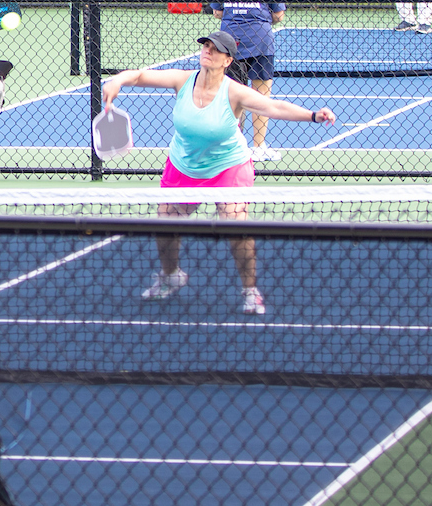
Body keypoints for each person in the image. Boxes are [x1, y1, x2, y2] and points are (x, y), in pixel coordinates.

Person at [102, 31, 337, 313]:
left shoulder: (234, 92)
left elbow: (273, 107)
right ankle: (171, 276)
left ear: (227, 60)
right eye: (206, 46)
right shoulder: (182, 80)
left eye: (215, 49)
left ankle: (250, 290)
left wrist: (313, 115)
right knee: (164, 225)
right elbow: (140, 76)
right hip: (184, 164)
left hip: (228, 166)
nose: (207, 51)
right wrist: (117, 80)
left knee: (235, 225)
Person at [215, 0, 289, 163]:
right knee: (261, 94)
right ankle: (258, 147)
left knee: (233, 96)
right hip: (260, 41)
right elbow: (279, 15)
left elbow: (217, 11)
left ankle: (234, 146)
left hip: (230, 43)